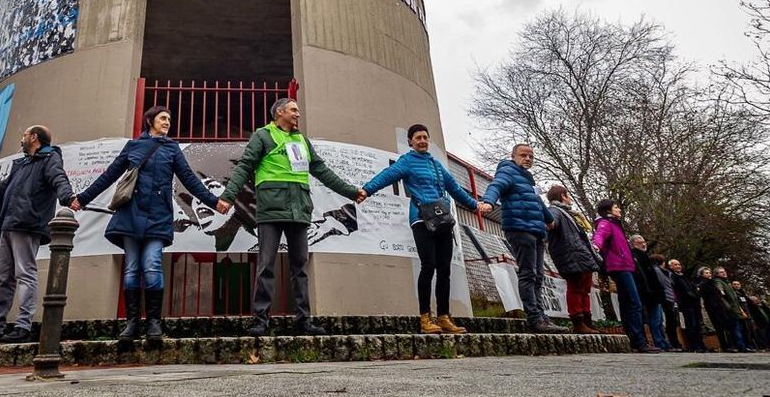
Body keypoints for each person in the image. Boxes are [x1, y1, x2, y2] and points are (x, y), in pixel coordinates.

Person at [71, 106, 229, 341]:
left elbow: (190, 180)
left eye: (169, 119)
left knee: (153, 264)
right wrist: (82, 198)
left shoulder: (172, 148)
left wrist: (214, 202)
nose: (167, 122)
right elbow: (110, 175)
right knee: (133, 268)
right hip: (131, 213)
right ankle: (132, 323)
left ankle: (154, 323)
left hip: (158, 215)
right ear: (150, 120)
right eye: (163, 118)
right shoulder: (134, 147)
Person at [217, 98, 363, 337]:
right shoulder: (263, 136)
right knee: (266, 266)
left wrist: (351, 192)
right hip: (271, 210)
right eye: (294, 110)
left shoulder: (301, 140)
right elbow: (244, 166)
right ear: (280, 112)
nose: (298, 113)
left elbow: (322, 171)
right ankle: (261, 320)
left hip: (299, 210)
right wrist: (228, 196)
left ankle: (303, 320)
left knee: (300, 268)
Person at [361, 124, 487, 335]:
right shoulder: (407, 162)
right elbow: (387, 175)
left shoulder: (436, 165)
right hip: (421, 219)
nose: (422, 141)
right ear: (410, 141)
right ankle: (425, 318)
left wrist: (476, 206)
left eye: (425, 137)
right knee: (428, 266)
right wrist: (366, 190)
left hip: (443, 220)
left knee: (444, 270)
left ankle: (444, 317)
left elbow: (455, 189)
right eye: (418, 137)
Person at [0, 125, 74, 343]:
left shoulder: (49, 159)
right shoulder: (21, 165)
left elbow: (59, 178)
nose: (21, 139)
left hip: (26, 223)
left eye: (24, 135)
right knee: (5, 277)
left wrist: (68, 197)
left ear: (34, 137)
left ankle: (23, 325)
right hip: (9, 224)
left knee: (25, 273)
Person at [481, 144, 565, 334]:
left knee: (538, 275)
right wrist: (488, 201)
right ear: (513, 156)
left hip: (536, 230)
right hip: (519, 228)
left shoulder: (528, 180)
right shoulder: (508, 171)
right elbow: (496, 186)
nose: (528, 159)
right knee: (528, 273)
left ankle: (542, 316)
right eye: (523, 155)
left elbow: (537, 202)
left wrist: (549, 219)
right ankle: (534, 318)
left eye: (531, 156)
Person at [592, 200, 656, 352]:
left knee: (627, 302)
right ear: (608, 210)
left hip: (626, 266)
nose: (619, 209)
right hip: (619, 266)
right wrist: (596, 245)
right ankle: (639, 341)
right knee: (634, 303)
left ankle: (634, 339)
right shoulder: (606, 223)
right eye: (616, 207)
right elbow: (600, 235)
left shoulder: (616, 225)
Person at [543, 186, 601, 334]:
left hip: (580, 256)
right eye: (568, 195)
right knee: (575, 288)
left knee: (585, 289)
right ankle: (578, 322)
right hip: (571, 255)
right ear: (562, 196)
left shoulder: (569, 214)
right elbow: (551, 223)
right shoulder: (555, 211)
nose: (570, 198)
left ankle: (587, 322)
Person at [629, 235, 670, 351]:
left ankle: (662, 342)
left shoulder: (644, 257)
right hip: (646, 292)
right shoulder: (637, 257)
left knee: (658, 320)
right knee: (654, 320)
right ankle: (657, 342)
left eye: (644, 242)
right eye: (640, 243)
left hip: (652, 293)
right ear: (633, 245)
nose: (643, 244)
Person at [669, 259, 706, 352]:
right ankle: (694, 345)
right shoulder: (673, 277)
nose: (678, 266)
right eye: (675, 264)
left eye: (679, 264)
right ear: (671, 266)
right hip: (686, 304)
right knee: (691, 324)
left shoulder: (685, 277)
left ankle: (701, 344)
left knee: (697, 325)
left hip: (694, 303)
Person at [651, 254, 682, 350]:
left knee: (665, 321)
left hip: (669, 298)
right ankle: (662, 342)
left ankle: (665, 342)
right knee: (660, 321)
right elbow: (663, 284)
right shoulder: (657, 271)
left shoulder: (665, 272)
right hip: (664, 298)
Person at [713, 267, 749, 352]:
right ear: (717, 274)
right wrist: (721, 291)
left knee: (740, 328)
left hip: (736, 309)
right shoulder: (718, 281)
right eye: (721, 272)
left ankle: (743, 345)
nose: (724, 273)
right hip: (731, 310)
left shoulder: (727, 283)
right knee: (736, 329)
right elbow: (719, 286)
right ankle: (741, 347)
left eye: (724, 271)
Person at [730, 281, 756, 350]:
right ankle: (742, 346)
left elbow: (748, 304)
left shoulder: (742, 293)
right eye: (734, 284)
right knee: (740, 331)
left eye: (738, 284)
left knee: (748, 331)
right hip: (739, 314)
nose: (736, 286)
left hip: (747, 314)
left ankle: (749, 345)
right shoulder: (733, 293)